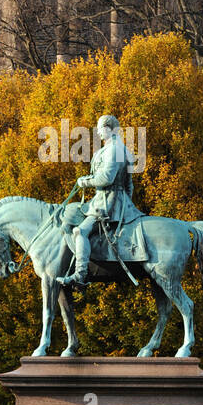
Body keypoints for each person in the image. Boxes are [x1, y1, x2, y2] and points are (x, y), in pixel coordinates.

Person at [57, 115, 142, 289]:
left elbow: (106, 178)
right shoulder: (122, 150)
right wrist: (126, 205)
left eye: (100, 128)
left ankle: (80, 275)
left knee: (81, 231)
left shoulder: (113, 150)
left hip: (106, 202)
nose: (98, 132)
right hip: (116, 201)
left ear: (110, 129)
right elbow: (129, 185)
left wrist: (85, 182)